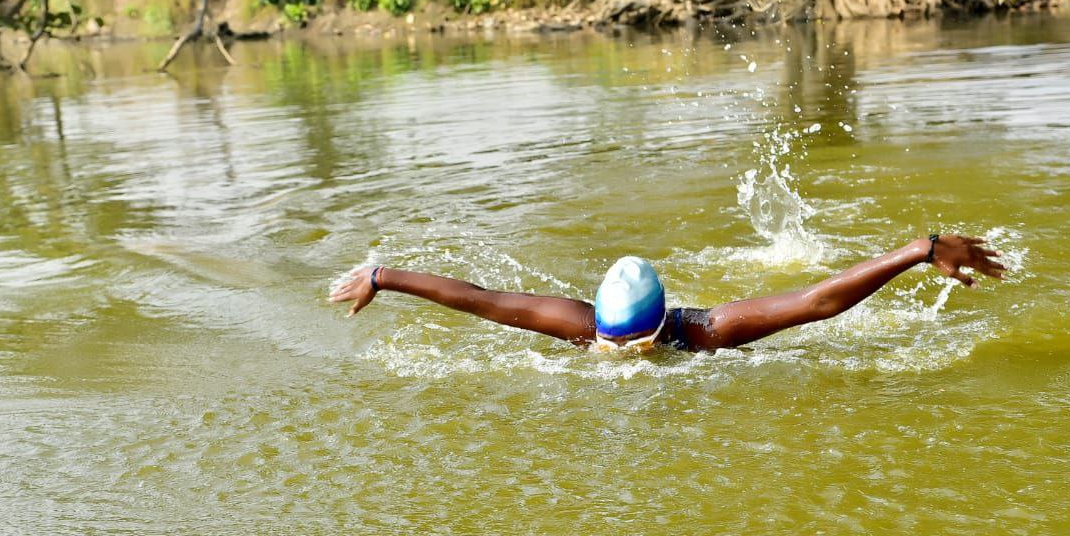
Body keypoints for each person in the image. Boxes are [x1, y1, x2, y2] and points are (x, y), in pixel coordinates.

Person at [329, 234, 1006, 353]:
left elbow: (817, 301)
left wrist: (918, 250)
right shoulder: (575, 324)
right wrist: (383, 277)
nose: (621, 361)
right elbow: (478, 297)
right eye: (609, 345)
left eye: (636, 348)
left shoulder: (708, 331)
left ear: (660, 334)